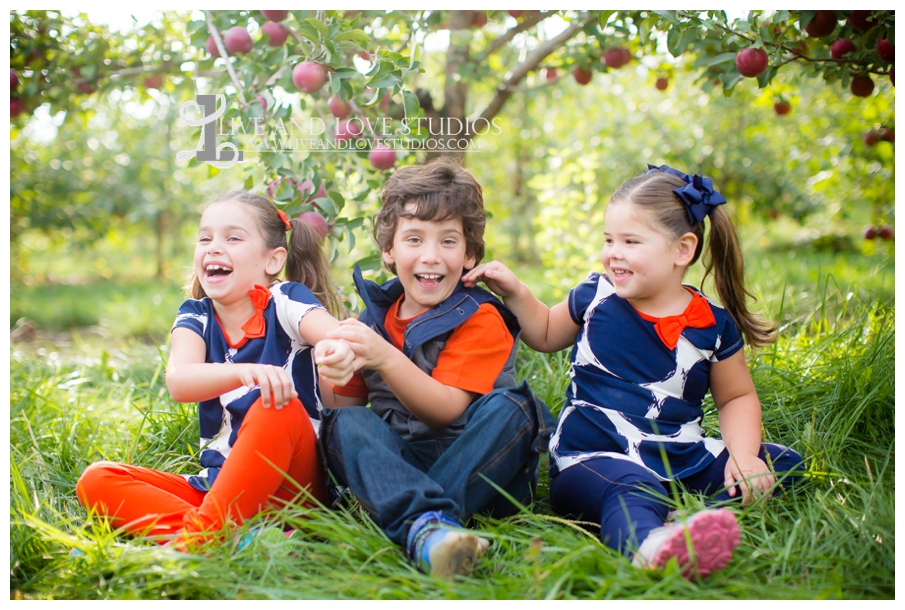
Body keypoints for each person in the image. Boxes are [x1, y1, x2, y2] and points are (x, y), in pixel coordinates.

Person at [462, 165, 806, 579]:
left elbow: (735, 397)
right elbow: (547, 333)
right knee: (631, 487)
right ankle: (649, 545)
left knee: (782, 464)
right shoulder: (597, 294)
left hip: (679, 457)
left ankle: (685, 523)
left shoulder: (711, 324)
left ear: (682, 249)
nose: (614, 253)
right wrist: (517, 292)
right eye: (609, 240)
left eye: (630, 241)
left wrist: (745, 456)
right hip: (594, 458)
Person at [315, 158, 553, 577]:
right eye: (413, 239)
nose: (431, 256)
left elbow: (446, 409)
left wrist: (384, 357)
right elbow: (345, 404)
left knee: (515, 408)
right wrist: (332, 365)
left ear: (470, 254)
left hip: (481, 468)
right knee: (346, 424)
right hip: (401, 461)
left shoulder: (479, 316)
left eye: (447, 241)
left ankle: (417, 520)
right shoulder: (374, 319)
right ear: (389, 251)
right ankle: (434, 530)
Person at [76, 190, 355, 548]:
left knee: (277, 406)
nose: (213, 247)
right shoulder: (195, 315)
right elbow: (180, 381)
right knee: (97, 479)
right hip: (220, 486)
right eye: (205, 238)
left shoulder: (285, 299)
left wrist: (334, 350)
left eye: (233, 238)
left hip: (294, 491)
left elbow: (333, 335)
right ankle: (238, 541)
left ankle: (196, 544)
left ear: (272, 260)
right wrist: (245, 373)